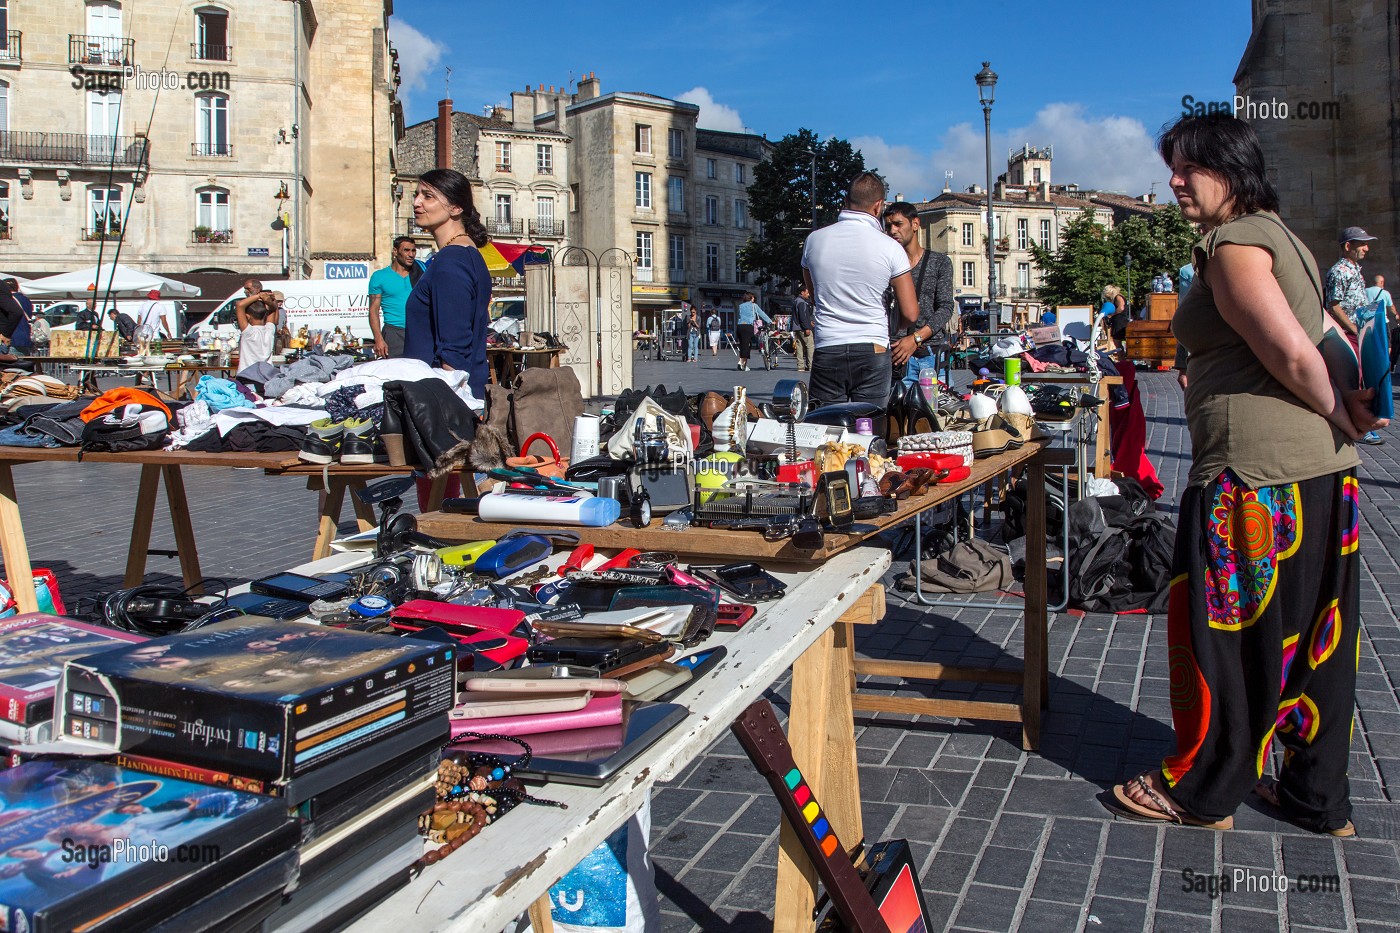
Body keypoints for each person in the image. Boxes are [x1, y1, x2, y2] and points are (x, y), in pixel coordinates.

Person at [1106, 112, 1386, 838]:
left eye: (1187, 167)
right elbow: (1334, 335)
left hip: (1252, 473)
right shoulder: (1285, 237)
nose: (1172, 181)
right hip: (1321, 472)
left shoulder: (1233, 246)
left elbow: (1293, 353)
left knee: (1226, 635)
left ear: (1229, 169)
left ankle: (1204, 788)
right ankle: (1315, 796)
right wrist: (1349, 408)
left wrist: (1344, 411)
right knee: (1316, 638)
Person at [803, 171, 918, 420]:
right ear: (879, 206)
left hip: (828, 346)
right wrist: (892, 323)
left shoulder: (814, 240)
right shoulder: (890, 247)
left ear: (846, 201)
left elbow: (813, 294)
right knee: (869, 431)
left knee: (825, 429)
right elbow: (910, 312)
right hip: (873, 347)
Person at [402, 167, 492, 402]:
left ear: (456, 207)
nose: (416, 203)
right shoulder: (467, 254)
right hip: (453, 393)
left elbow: (454, 350)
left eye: (428, 196)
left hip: (441, 399)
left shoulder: (451, 261)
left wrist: (449, 411)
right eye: (417, 194)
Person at [882, 201, 954, 389]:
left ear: (915, 224)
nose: (892, 230)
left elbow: (946, 308)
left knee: (936, 416)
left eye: (898, 224)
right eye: (888, 226)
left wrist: (915, 338)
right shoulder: (884, 265)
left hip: (929, 357)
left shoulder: (939, 262)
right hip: (895, 359)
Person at [1325, 228, 1381, 442]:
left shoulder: (1355, 269)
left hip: (1361, 332)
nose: (1367, 248)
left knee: (1363, 377)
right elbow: (1334, 306)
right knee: (1351, 379)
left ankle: (1361, 421)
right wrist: (1353, 329)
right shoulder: (1339, 271)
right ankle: (1355, 424)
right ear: (1348, 246)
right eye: (1362, 244)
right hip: (1348, 333)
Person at [368, 236, 420, 359]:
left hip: (419, 330)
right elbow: (373, 310)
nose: (411, 254)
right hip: (394, 332)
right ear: (395, 251)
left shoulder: (421, 274)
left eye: (413, 251)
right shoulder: (380, 276)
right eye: (406, 250)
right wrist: (378, 339)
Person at [234, 278, 279, 374]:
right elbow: (273, 309)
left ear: (247, 317)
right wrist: (268, 300)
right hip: (266, 376)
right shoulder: (270, 330)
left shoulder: (248, 332)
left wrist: (259, 296)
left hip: (247, 376)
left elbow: (239, 305)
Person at [1363, 274, 1398, 372]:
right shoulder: (1385, 293)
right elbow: (1391, 307)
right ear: (1381, 282)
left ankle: (1371, 363)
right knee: (1387, 343)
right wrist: (1396, 315)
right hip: (1382, 322)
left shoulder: (1365, 291)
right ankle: (1385, 363)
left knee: (1370, 342)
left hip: (1369, 322)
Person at [734, 291, 771, 371]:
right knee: (746, 345)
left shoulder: (740, 306)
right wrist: (770, 321)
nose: (754, 298)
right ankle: (741, 362)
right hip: (748, 326)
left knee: (745, 345)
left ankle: (744, 365)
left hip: (740, 326)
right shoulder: (754, 305)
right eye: (753, 297)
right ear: (750, 298)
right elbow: (762, 314)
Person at [792, 284, 815, 372]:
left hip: (797, 327)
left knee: (800, 346)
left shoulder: (796, 301)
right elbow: (803, 316)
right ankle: (810, 365)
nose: (808, 294)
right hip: (803, 327)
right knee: (810, 346)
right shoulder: (802, 302)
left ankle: (800, 366)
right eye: (807, 292)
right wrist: (807, 327)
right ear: (802, 292)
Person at [1099, 285, 1127, 353]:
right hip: (1118, 322)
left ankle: (1122, 360)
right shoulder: (1117, 297)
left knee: (1117, 343)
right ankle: (1122, 360)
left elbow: (1121, 308)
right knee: (1117, 343)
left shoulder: (1118, 297)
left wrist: (1112, 315)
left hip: (1120, 322)